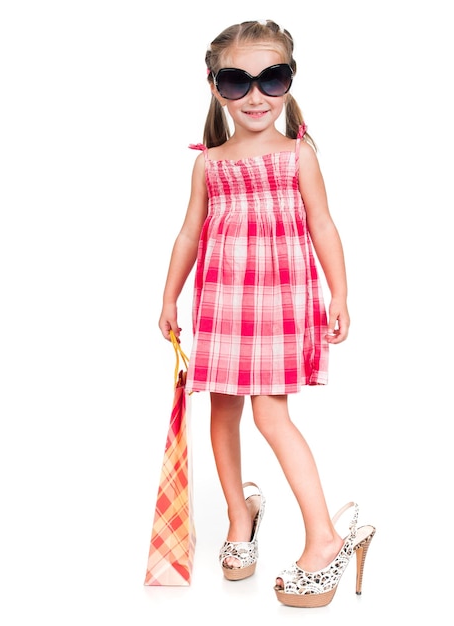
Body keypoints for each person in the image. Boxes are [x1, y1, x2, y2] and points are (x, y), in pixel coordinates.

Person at [158, 19, 375, 608]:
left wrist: (341, 294)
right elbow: (188, 234)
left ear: (289, 80)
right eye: (236, 81)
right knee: (222, 413)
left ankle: (326, 537)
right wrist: (169, 295)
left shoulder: (298, 155)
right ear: (214, 86)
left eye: (271, 78)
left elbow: (323, 226)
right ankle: (238, 516)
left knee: (271, 417)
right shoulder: (209, 163)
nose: (255, 95)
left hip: (278, 299)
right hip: (223, 299)